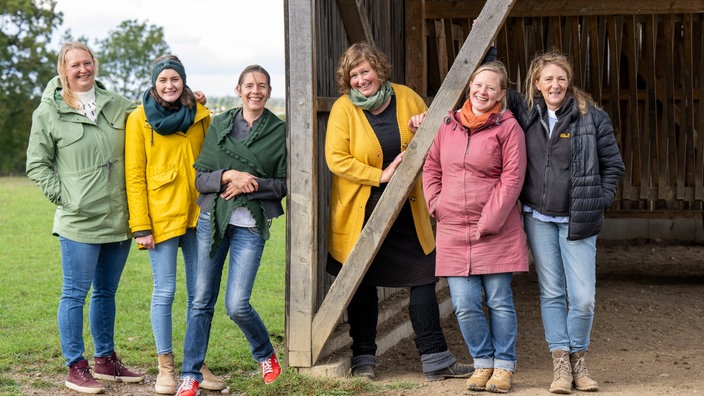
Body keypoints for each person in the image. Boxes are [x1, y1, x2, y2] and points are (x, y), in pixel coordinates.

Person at [324, 42, 473, 382]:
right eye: (354, 75)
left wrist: (426, 130)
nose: (361, 79)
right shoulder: (343, 109)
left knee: (423, 278)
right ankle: (363, 359)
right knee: (361, 284)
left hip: (408, 209)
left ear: (379, 69)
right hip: (362, 212)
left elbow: (441, 139)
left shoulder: (408, 97)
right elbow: (336, 159)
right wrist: (381, 175)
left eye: (366, 71)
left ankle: (436, 358)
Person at [25, 41, 145, 394]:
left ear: (95, 65)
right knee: (75, 293)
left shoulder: (117, 105)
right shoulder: (48, 112)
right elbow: (37, 163)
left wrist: (188, 98)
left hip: (118, 219)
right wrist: (67, 198)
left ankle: (105, 360)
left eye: (87, 63)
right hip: (78, 221)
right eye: (75, 64)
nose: (83, 70)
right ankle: (75, 366)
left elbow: (153, 114)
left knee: (106, 293)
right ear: (63, 69)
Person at [506, 49, 625, 394]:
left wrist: (596, 201)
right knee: (553, 292)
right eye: (548, 79)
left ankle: (579, 359)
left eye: (561, 78)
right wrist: (489, 45)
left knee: (583, 297)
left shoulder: (593, 118)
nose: (554, 85)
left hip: (578, 220)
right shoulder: (527, 112)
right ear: (536, 83)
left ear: (569, 81)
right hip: (539, 219)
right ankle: (561, 365)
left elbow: (613, 166)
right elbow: (488, 83)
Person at [175, 64, 286, 396]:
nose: (256, 90)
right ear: (238, 90)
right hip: (213, 222)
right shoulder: (221, 124)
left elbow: (282, 184)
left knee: (237, 304)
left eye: (262, 85)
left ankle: (266, 354)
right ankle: (190, 374)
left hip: (251, 226)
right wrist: (228, 176)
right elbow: (201, 178)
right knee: (200, 302)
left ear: (269, 91)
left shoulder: (279, 131)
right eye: (249, 85)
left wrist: (248, 184)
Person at [419, 61, 528, 393]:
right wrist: (436, 203)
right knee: (464, 304)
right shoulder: (447, 126)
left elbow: (512, 179)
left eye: (491, 87)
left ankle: (504, 366)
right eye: (478, 85)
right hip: (453, 228)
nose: (483, 92)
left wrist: (489, 220)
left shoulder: (509, 129)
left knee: (498, 299)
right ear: (469, 87)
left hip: (495, 229)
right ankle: (482, 363)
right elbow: (431, 167)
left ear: (501, 94)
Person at [124, 55, 226, 394]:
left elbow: (214, 161)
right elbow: (134, 175)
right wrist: (140, 225)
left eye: (175, 79)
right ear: (154, 83)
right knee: (165, 291)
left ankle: (194, 366)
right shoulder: (138, 119)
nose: (170, 85)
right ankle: (165, 368)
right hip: (160, 218)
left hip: (199, 215)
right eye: (163, 80)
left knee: (200, 295)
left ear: (184, 81)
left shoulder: (201, 115)